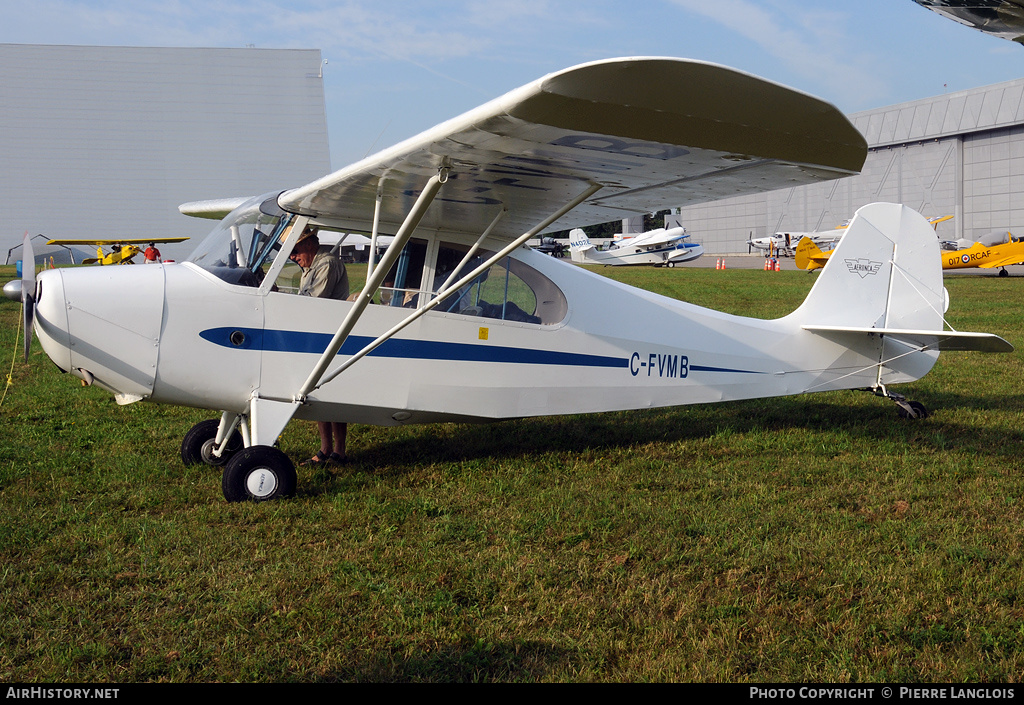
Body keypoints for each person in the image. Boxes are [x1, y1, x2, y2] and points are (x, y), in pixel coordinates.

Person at [290, 227, 350, 466]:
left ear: (308, 245)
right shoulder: (309, 267)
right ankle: (325, 450)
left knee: (332, 394)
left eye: (295, 251)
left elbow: (314, 302)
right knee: (317, 393)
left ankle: (340, 451)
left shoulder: (327, 264)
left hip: (331, 336)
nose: (293, 257)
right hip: (316, 335)